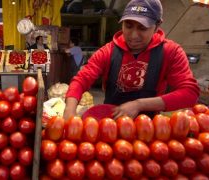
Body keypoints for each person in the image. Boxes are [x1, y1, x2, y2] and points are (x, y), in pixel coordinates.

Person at [63, 0, 200, 120]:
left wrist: (139, 104)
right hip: (110, 124)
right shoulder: (108, 51)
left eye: (142, 28)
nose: (134, 35)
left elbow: (190, 93)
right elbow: (81, 80)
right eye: (128, 26)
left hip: (149, 127)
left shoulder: (171, 52)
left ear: (157, 26)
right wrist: (69, 111)